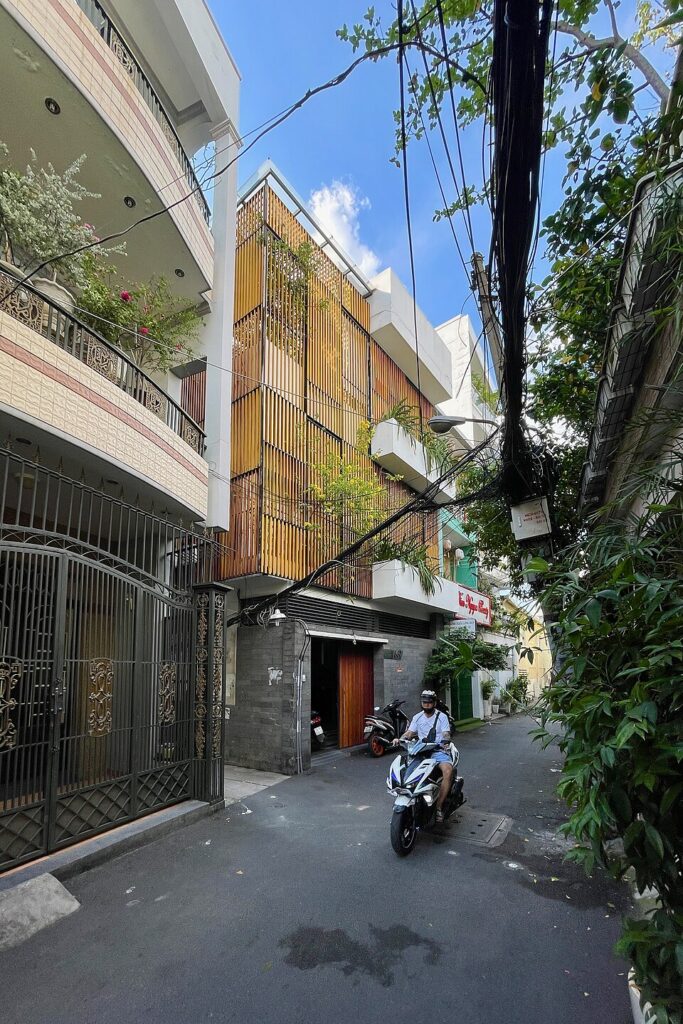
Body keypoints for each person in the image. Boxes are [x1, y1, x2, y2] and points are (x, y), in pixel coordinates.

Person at [392, 689, 453, 823]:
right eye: (424, 702)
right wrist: (400, 739)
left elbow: (446, 733)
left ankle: (439, 807)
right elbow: (409, 732)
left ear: (434, 703)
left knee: (448, 771)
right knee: (407, 770)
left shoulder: (441, 716)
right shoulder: (417, 717)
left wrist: (445, 740)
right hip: (421, 751)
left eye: (429, 702)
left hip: (438, 750)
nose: (426, 705)